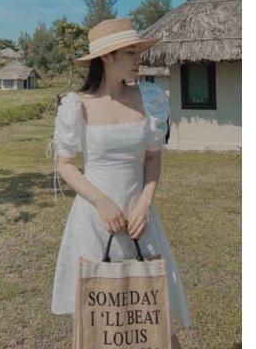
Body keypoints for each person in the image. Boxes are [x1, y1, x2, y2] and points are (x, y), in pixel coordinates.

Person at [47, 18, 193, 348]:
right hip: (94, 221)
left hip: (141, 220)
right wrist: (101, 202)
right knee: (98, 318)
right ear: (107, 56)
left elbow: (152, 159)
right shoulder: (78, 105)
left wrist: (145, 203)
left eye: (137, 50)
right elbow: (66, 165)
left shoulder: (149, 98)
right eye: (130, 52)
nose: (138, 57)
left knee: (154, 313)